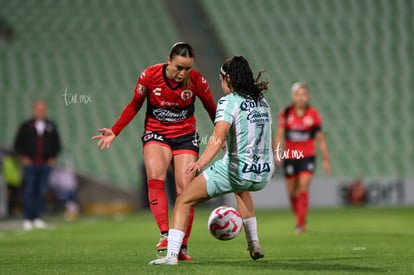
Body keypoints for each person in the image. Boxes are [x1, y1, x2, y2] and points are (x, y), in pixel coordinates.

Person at [92, 42, 217, 261]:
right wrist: (115, 130)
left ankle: (182, 246)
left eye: (187, 68)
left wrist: (220, 135)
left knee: (185, 189)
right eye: (179, 67)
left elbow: (211, 108)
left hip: (186, 135)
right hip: (156, 132)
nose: (183, 73)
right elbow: (134, 105)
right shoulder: (150, 75)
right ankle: (166, 235)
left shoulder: (197, 80)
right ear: (169, 61)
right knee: (155, 177)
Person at [149, 56, 274, 265]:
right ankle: (254, 244)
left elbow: (217, 138)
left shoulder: (228, 102)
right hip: (263, 174)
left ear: (228, 79)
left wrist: (201, 163)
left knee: (183, 201)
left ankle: (171, 255)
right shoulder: (263, 102)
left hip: (235, 171)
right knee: (241, 190)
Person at [273, 82, 331, 234]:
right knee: (292, 193)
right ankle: (301, 218)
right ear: (293, 96)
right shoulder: (286, 113)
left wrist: (326, 160)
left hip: (308, 157)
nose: (301, 97)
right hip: (290, 157)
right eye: (298, 94)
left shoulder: (313, 114)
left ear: (308, 96)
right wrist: (277, 153)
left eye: (304, 94)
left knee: (302, 189)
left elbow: (321, 138)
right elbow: (279, 136)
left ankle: (299, 224)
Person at [14, 100, 61, 230]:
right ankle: (28, 218)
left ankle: (38, 218)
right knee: (29, 191)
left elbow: (57, 144)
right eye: (39, 109)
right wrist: (23, 157)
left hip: (45, 164)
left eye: (43, 109)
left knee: (41, 191)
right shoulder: (26, 126)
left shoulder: (51, 125)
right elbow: (18, 144)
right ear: (34, 110)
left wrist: (52, 157)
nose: (41, 112)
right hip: (30, 164)